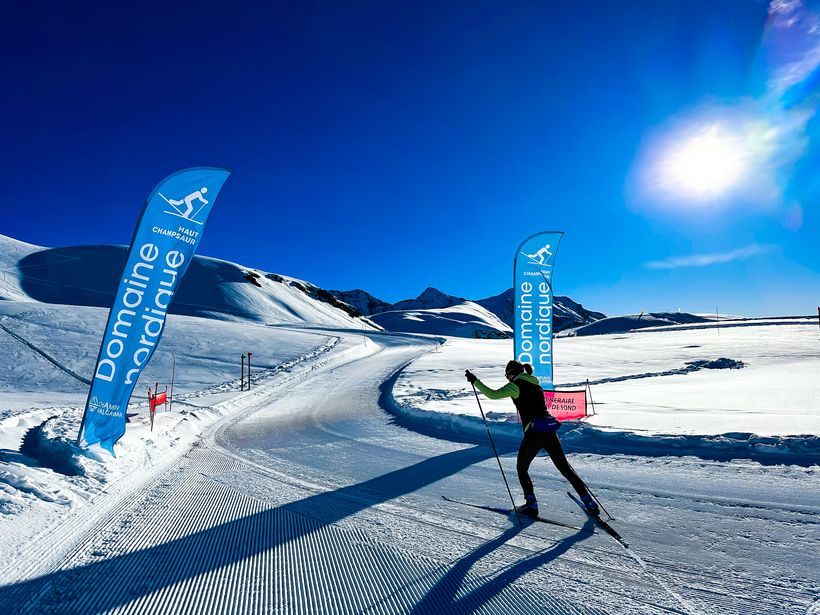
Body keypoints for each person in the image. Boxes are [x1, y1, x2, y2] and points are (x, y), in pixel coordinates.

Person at [465, 360, 599, 518]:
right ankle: (589, 501)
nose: (507, 378)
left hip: (534, 433)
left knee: (522, 468)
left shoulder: (515, 385)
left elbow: (493, 395)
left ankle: (532, 505)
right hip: (549, 432)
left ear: (512, 373)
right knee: (565, 469)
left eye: (507, 374)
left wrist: (475, 381)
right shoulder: (536, 384)